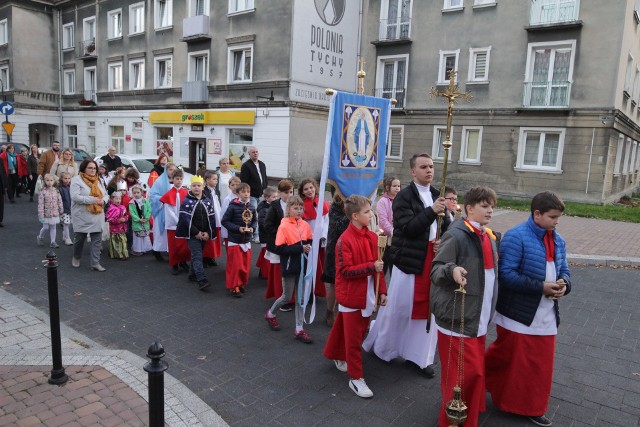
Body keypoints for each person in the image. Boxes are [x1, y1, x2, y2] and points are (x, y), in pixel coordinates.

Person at [485, 191, 571, 427]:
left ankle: (531, 405)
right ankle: (488, 385)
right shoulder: (516, 237)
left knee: (538, 366)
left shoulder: (558, 239)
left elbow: (564, 269)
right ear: (537, 214)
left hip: (546, 313)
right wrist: (540, 287)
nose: (556, 222)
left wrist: (565, 284)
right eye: (552, 217)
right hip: (518, 312)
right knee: (513, 358)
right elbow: (506, 275)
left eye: (558, 218)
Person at [363, 153, 449, 378]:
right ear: (413, 171)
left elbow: (446, 226)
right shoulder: (403, 197)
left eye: (431, 166)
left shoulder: (436, 195)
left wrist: (443, 240)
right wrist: (432, 211)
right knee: (400, 309)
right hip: (409, 262)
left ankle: (419, 357)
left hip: (432, 260)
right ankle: (385, 348)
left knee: (427, 312)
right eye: (423, 167)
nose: (429, 170)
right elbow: (408, 227)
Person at [430, 186, 499, 427]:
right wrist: (452, 270)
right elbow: (437, 269)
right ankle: (450, 422)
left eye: (492, 206)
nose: (490, 210)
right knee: (464, 376)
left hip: (476, 317)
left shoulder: (488, 236)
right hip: (456, 317)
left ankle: (467, 417)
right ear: (469, 208)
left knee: (472, 374)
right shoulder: (457, 234)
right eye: (484, 206)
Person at [323, 195, 388, 398]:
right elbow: (345, 271)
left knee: (351, 330)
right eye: (367, 212)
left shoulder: (372, 236)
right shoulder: (344, 241)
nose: (372, 214)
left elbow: (379, 266)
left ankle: (335, 354)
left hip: (367, 293)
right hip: (352, 296)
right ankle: (356, 378)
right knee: (354, 339)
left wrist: (382, 290)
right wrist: (371, 267)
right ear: (354, 216)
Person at [264, 195, 314, 344]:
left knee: (301, 299)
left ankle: (299, 328)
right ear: (289, 209)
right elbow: (279, 248)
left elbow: (309, 239)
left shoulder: (305, 225)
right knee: (287, 296)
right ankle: (271, 313)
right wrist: (300, 248)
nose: (299, 211)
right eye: (295, 208)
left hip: (303, 266)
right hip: (289, 266)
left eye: (301, 208)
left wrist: (308, 246)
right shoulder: (284, 226)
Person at [176, 176, 217, 291]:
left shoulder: (207, 201)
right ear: (190, 187)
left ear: (203, 187)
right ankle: (202, 279)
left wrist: (208, 232)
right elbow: (185, 219)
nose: (196, 188)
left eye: (199, 185)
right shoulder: (187, 201)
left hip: (204, 234)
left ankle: (192, 275)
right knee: (197, 255)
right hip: (193, 235)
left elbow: (211, 218)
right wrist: (196, 232)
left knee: (196, 256)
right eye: (194, 186)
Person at [71, 159, 108, 271]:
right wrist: (93, 200)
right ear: (84, 168)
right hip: (82, 215)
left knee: (97, 239)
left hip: (97, 214)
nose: (93, 170)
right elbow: (75, 197)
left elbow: (106, 195)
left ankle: (95, 263)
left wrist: (104, 201)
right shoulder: (76, 180)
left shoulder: (99, 180)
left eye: (94, 168)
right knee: (80, 239)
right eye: (90, 168)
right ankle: (76, 257)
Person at [221, 182, 257, 297]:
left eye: (248, 192)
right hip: (235, 240)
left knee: (245, 265)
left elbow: (255, 221)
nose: (246, 194)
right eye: (243, 192)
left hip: (246, 240)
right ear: (237, 193)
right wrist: (238, 229)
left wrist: (252, 228)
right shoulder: (233, 206)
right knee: (235, 265)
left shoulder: (251, 207)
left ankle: (241, 284)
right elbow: (225, 221)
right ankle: (234, 286)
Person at [263, 179, 294, 305]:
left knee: (290, 271)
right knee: (278, 272)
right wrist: (281, 235)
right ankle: (279, 298)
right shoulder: (275, 206)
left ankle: (290, 297)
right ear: (280, 193)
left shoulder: (294, 204)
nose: (289, 195)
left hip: (291, 244)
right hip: (277, 244)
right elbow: (267, 225)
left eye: (291, 192)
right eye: (286, 192)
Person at [321, 193, 350, 327]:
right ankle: (329, 311)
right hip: (335, 249)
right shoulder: (335, 206)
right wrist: (351, 213)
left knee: (348, 283)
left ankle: (343, 313)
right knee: (333, 283)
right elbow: (338, 226)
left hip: (350, 249)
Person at [299, 178, 329, 298]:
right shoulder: (302, 206)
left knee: (318, 267)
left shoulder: (322, 203)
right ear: (302, 192)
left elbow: (326, 221)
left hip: (320, 240)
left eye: (311, 187)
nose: (309, 190)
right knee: (308, 267)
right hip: (309, 241)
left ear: (315, 188)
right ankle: (308, 292)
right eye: (306, 189)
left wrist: (323, 235)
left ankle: (317, 290)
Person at [159, 169, 190, 275]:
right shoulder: (169, 194)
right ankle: (174, 264)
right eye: (177, 179)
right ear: (172, 179)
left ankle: (183, 261)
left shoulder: (186, 193)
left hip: (184, 223)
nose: (179, 181)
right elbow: (169, 211)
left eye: (181, 179)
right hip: (173, 224)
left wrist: (185, 221)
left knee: (184, 245)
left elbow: (188, 208)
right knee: (174, 245)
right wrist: (178, 221)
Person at [149, 162, 177, 262]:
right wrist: (164, 199)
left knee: (170, 231)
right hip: (162, 210)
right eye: (170, 170)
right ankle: (157, 250)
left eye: (174, 170)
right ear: (166, 170)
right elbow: (152, 195)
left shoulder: (176, 181)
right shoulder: (160, 181)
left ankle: (169, 250)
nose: (172, 172)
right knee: (161, 233)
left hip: (172, 210)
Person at [239, 146, 267, 241]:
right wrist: (246, 193)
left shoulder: (262, 164)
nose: (255, 153)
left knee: (261, 215)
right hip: (252, 195)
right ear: (249, 154)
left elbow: (264, 178)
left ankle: (258, 234)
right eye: (253, 152)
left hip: (261, 195)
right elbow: (244, 181)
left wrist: (265, 190)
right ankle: (255, 235)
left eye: (256, 152)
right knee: (253, 215)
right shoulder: (246, 166)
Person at [376, 175, 401, 276]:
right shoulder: (383, 201)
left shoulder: (401, 200)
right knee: (384, 267)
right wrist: (393, 231)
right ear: (387, 187)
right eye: (394, 186)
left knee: (394, 268)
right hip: (386, 239)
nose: (397, 188)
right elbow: (383, 220)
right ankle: (380, 290)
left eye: (399, 186)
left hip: (398, 238)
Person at [36, 174, 64, 248]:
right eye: (47, 180)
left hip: (54, 212)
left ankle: (53, 242)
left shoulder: (56, 191)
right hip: (46, 213)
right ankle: (40, 237)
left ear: (54, 181)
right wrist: (41, 214)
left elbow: (59, 201)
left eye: (51, 180)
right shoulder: (42, 191)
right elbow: (41, 204)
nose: (49, 182)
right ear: (45, 181)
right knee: (45, 227)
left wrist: (61, 209)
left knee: (53, 227)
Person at [202, 170, 223, 267]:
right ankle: (205, 258)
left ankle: (211, 257)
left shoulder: (216, 191)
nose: (216, 181)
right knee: (208, 239)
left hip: (216, 216)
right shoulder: (204, 191)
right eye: (214, 179)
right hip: (208, 217)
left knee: (215, 238)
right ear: (207, 180)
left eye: (217, 179)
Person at [256, 186, 277, 279]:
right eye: (273, 197)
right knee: (266, 255)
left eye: (276, 197)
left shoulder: (273, 207)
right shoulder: (264, 209)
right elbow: (262, 223)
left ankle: (262, 270)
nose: (275, 199)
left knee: (266, 254)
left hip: (269, 235)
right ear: (267, 198)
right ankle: (265, 273)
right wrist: (271, 230)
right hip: (266, 236)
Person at [128, 185, 152, 256]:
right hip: (137, 223)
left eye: (138, 192)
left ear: (141, 193)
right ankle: (138, 250)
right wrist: (138, 219)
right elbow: (132, 213)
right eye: (134, 193)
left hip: (145, 222)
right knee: (138, 237)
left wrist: (147, 218)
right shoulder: (131, 203)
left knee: (144, 236)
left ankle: (144, 249)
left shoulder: (145, 201)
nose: (136, 194)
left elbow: (149, 209)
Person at [106, 193, 130, 260]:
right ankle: (119, 254)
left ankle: (123, 253)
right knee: (116, 242)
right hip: (115, 229)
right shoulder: (111, 208)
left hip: (122, 228)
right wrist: (119, 220)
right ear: (112, 200)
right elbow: (110, 219)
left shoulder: (122, 207)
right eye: (116, 198)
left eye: (119, 198)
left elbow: (126, 215)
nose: (118, 200)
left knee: (123, 241)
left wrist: (125, 219)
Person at [58, 172, 73, 246]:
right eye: (65, 178)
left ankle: (64, 235)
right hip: (64, 209)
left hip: (71, 208)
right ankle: (68, 238)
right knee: (66, 223)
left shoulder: (71, 187)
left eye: (68, 178)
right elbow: (59, 200)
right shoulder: (60, 188)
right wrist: (60, 209)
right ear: (61, 179)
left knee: (69, 224)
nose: (67, 180)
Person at [0, 151, 6, 226]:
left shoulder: (0, 160)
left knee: (1, 203)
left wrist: (5, 185)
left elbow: (3, 172)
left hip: (0, 185)